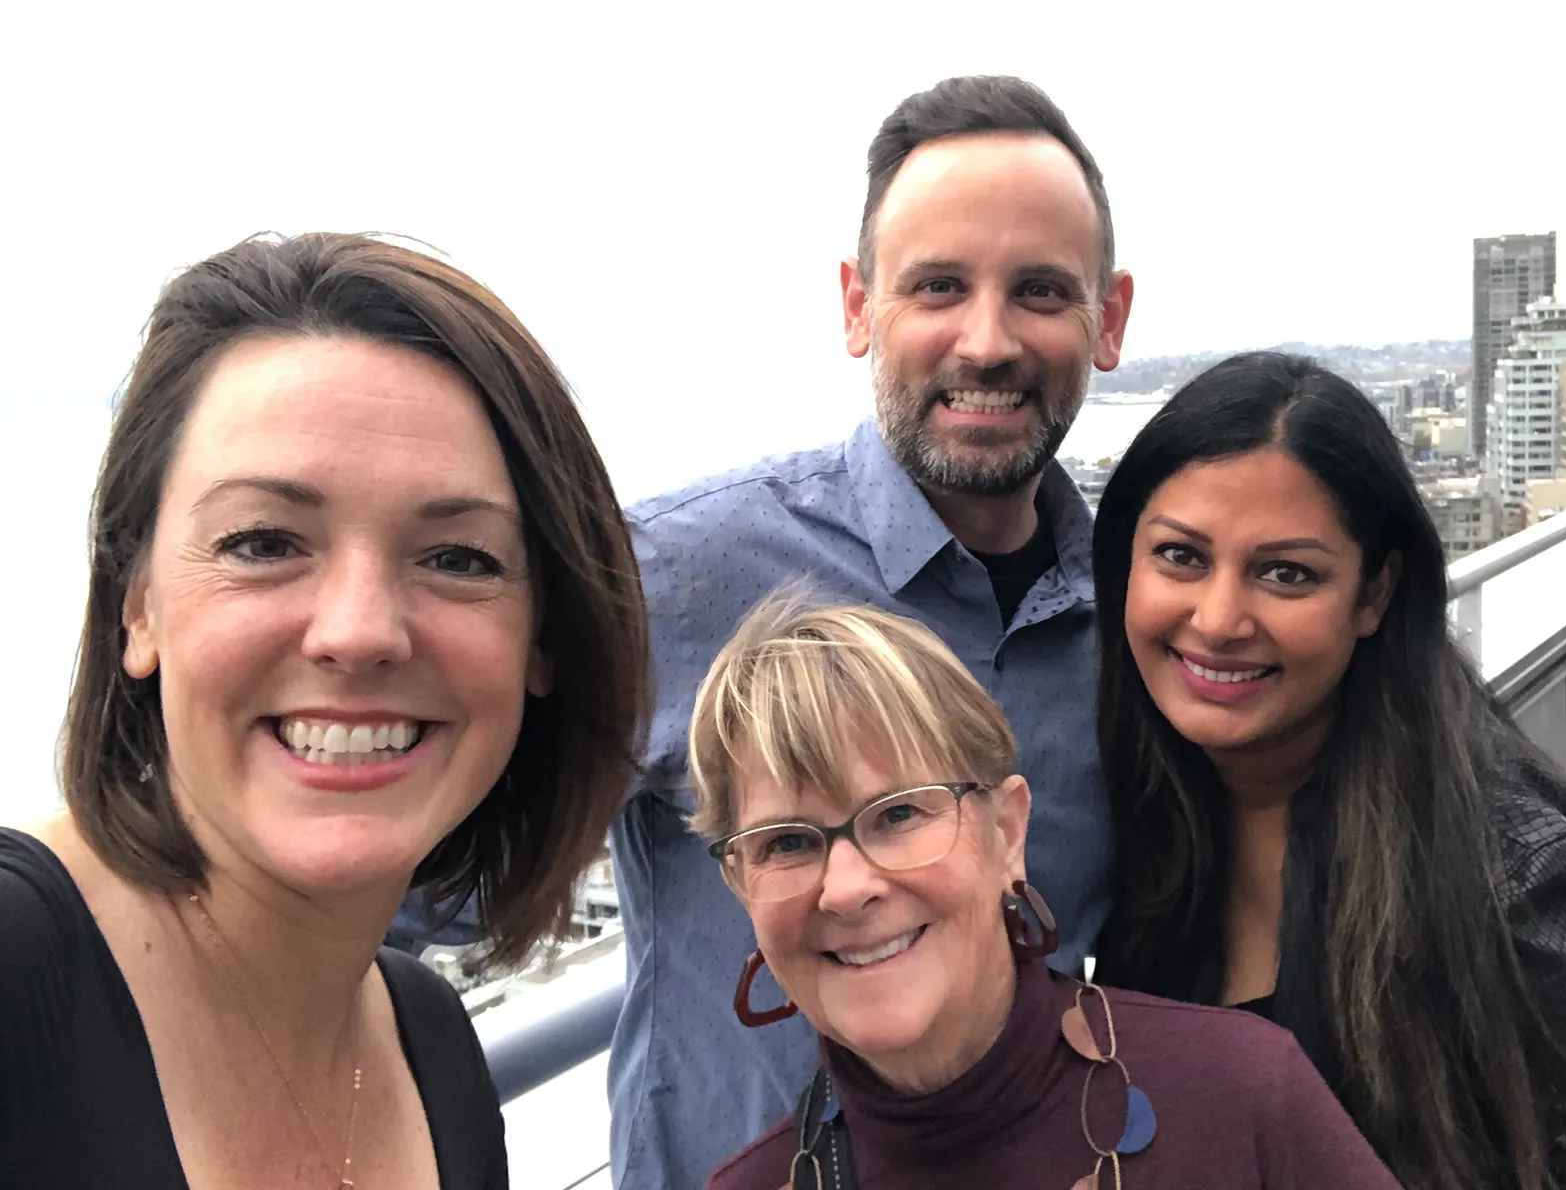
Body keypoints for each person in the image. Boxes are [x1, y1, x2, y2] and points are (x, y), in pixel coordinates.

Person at [0, 233, 649, 1189]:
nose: (358, 631)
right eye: (264, 542)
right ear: (136, 605)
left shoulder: (433, 1052)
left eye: (458, 557)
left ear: (543, 642)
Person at [606, 75, 1134, 1187]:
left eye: (1038, 291)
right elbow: (418, 891)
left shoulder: (1134, 623)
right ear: (856, 307)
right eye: (937, 286)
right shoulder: (676, 573)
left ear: (1108, 319)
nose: (985, 343)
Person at [1090, 353, 1566, 1190]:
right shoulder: (1136, 802)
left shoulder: (1501, 877)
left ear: (1375, 594)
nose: (1220, 618)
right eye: (1181, 557)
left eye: (1286, 573)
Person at [690, 597, 1405, 1189]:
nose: (845, 889)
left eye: (900, 813)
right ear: (739, 884)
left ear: (1007, 832)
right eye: (785, 843)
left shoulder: (1240, 1099)